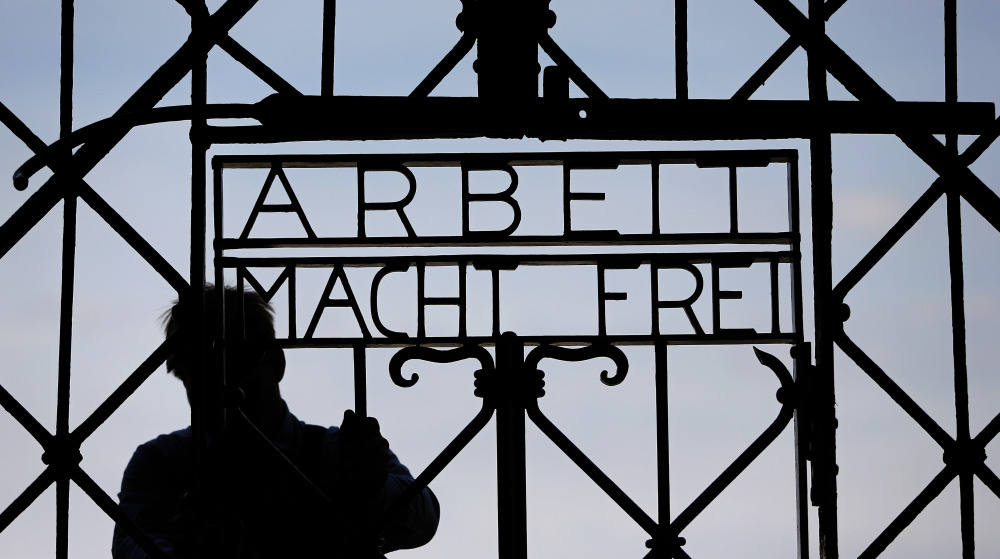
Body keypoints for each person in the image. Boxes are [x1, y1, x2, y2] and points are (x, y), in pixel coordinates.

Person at [113, 286, 439, 558]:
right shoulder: (160, 462)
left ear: (277, 363)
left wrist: (373, 490)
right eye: (204, 382)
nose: (229, 397)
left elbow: (424, 516)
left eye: (239, 374)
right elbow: (133, 544)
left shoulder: (336, 452)